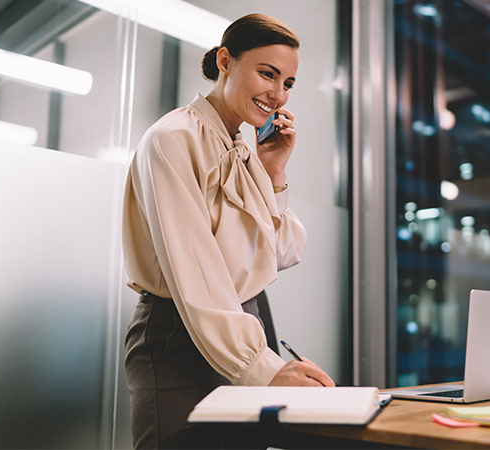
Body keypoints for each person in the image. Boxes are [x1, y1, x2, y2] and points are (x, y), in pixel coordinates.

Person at [121, 13, 335, 449]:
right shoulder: (173, 138)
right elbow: (196, 270)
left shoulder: (243, 147)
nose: (277, 94)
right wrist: (262, 366)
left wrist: (274, 173)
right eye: (267, 74)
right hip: (179, 337)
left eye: (288, 83)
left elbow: (280, 253)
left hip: (240, 325)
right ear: (225, 61)